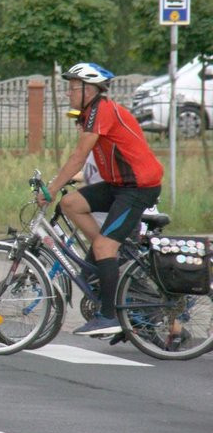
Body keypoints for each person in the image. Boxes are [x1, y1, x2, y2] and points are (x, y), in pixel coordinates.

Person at [38, 63, 163, 336]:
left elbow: (79, 156)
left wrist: (49, 190)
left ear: (90, 89)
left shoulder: (102, 111)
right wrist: (59, 189)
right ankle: (104, 256)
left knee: (106, 246)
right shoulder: (90, 113)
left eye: (73, 88)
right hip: (118, 185)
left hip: (138, 187)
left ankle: (109, 316)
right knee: (70, 204)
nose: (69, 93)